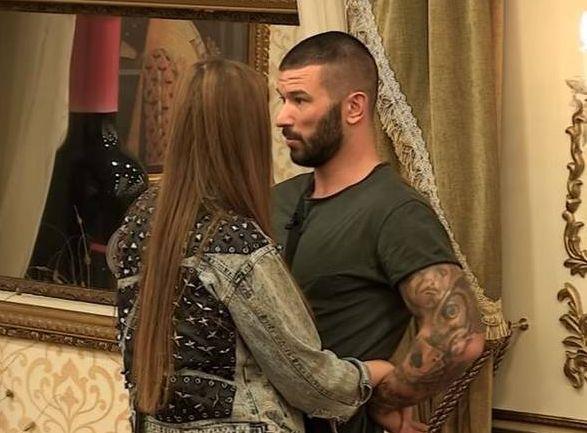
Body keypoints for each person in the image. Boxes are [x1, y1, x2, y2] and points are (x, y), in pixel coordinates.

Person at [107, 58, 394, 433]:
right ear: (245, 136)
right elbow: (311, 383)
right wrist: (373, 374)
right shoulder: (234, 242)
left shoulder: (140, 221)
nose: (281, 119)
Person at [272, 31, 486, 433]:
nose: (282, 117)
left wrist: (383, 398)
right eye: (283, 99)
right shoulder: (275, 199)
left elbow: (460, 335)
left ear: (353, 108)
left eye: (299, 100)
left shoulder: (396, 212)